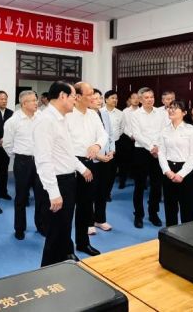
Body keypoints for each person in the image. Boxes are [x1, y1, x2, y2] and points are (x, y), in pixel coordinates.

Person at [34, 81, 92, 266]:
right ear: (62, 96)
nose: (75, 100)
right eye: (74, 96)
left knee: (65, 227)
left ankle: (66, 257)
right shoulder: (45, 121)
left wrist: (82, 168)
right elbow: (43, 160)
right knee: (55, 232)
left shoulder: (62, 118)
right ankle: (47, 271)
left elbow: (66, 152)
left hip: (68, 180)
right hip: (56, 182)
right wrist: (54, 192)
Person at [65, 82, 106, 256]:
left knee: (85, 206)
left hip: (89, 163)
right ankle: (66, 249)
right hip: (71, 165)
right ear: (78, 96)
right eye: (89, 94)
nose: (93, 97)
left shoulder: (93, 114)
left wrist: (97, 145)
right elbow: (64, 147)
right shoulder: (67, 115)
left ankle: (83, 243)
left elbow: (103, 134)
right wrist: (81, 168)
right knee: (68, 209)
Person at [3, 90, 46, 240]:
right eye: (33, 100)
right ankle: (19, 228)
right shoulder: (13, 121)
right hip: (23, 162)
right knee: (21, 197)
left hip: (40, 161)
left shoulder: (41, 117)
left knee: (41, 196)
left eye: (36, 99)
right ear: (24, 103)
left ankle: (41, 225)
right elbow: (7, 144)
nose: (36, 102)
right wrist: (18, 157)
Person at [158, 101, 193, 226]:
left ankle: (187, 234)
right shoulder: (164, 130)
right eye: (170, 108)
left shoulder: (192, 131)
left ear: (184, 113)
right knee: (170, 206)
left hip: (186, 170)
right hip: (169, 170)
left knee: (187, 206)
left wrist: (181, 174)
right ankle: (170, 232)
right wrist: (167, 171)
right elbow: (161, 152)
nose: (171, 110)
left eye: (175, 108)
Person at [130, 87, 165, 228]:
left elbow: (163, 131)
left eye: (152, 97)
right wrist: (151, 147)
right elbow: (137, 134)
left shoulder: (161, 113)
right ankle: (138, 215)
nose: (150, 99)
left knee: (157, 184)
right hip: (141, 151)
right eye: (146, 97)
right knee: (139, 185)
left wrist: (157, 146)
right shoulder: (135, 115)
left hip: (158, 150)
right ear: (140, 99)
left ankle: (153, 213)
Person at [93, 89, 115, 231]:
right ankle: (88, 222)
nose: (99, 101)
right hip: (92, 159)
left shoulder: (104, 114)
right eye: (95, 98)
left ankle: (100, 219)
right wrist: (97, 155)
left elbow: (110, 134)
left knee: (103, 191)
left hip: (106, 158)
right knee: (90, 192)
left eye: (100, 98)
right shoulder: (86, 116)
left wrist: (112, 150)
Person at [103, 90, 123, 201]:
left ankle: (107, 193)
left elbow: (122, 128)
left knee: (112, 171)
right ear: (106, 99)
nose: (115, 100)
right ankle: (101, 191)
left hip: (115, 145)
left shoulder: (120, 113)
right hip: (102, 146)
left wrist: (114, 138)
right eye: (112, 98)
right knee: (103, 171)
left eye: (116, 98)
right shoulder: (100, 112)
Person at [117, 92, 139, 189]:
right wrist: (130, 135)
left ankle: (140, 182)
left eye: (138, 98)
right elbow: (123, 126)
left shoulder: (142, 111)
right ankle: (122, 181)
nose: (136, 100)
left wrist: (138, 136)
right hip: (127, 139)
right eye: (133, 98)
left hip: (140, 139)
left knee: (138, 162)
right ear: (130, 99)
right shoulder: (125, 111)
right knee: (124, 162)